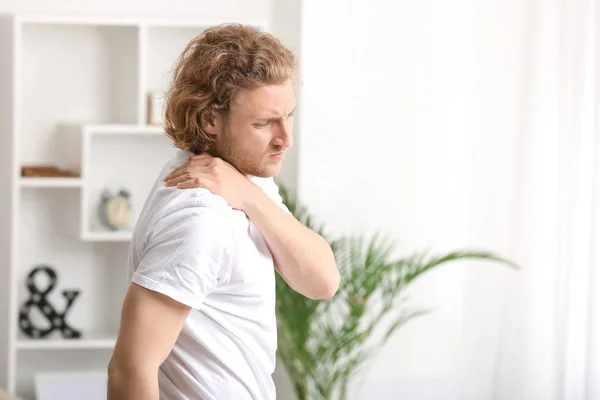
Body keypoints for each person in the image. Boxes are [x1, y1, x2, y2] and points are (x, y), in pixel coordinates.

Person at [107, 24, 340, 400]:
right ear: (210, 121)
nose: (286, 138)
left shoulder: (242, 175)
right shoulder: (200, 216)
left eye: (289, 116)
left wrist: (247, 194)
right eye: (264, 123)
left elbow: (322, 281)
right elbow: (130, 368)